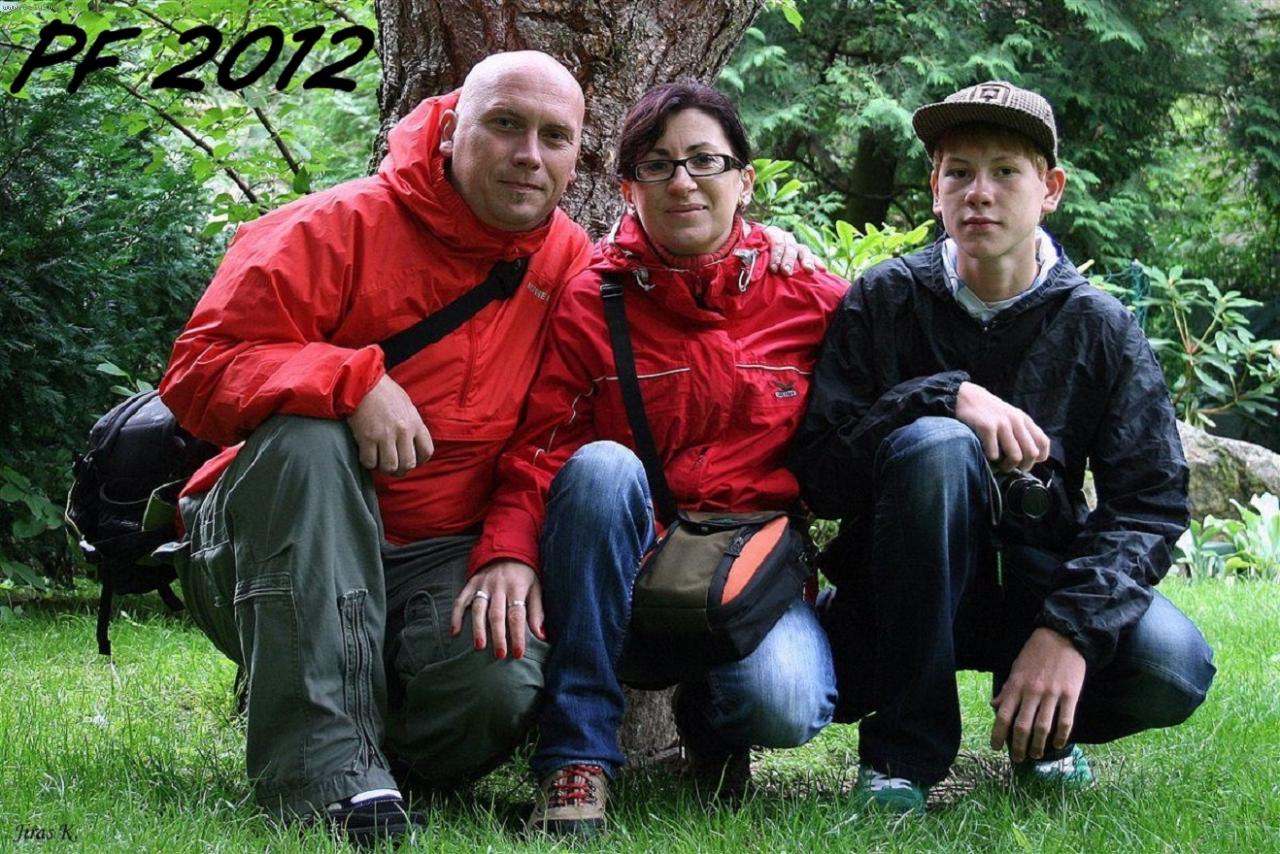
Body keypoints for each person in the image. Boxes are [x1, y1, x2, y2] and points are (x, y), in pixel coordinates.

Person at [159, 52, 815, 845]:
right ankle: (323, 780)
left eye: (554, 136)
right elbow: (196, 372)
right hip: (282, 533)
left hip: (437, 552)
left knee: (501, 684)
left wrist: (762, 248)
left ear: (576, 159)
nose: (528, 155)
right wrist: (347, 380)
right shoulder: (333, 227)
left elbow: (587, 383)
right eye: (505, 125)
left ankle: (383, 764)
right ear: (450, 131)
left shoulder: (566, 263)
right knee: (308, 436)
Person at [790, 81, 1216, 815]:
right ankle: (900, 757)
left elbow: (1148, 503)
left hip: (1038, 589)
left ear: (1051, 189)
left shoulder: (1100, 326)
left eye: (1005, 171)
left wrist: (1069, 631)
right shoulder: (884, 299)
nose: (979, 193)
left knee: (1172, 667)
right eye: (958, 172)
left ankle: (1042, 735)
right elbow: (821, 474)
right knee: (935, 444)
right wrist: (940, 395)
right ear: (935, 190)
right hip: (893, 602)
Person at [462, 81, 848, 838]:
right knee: (602, 467)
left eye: (705, 160)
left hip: (746, 574)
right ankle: (576, 757)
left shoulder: (811, 297)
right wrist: (506, 548)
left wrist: (962, 395)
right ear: (628, 187)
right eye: (658, 164)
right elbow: (544, 448)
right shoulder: (590, 299)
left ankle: (713, 723)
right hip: (627, 570)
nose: (682, 182)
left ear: (744, 179)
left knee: (787, 702)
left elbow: (873, 418)